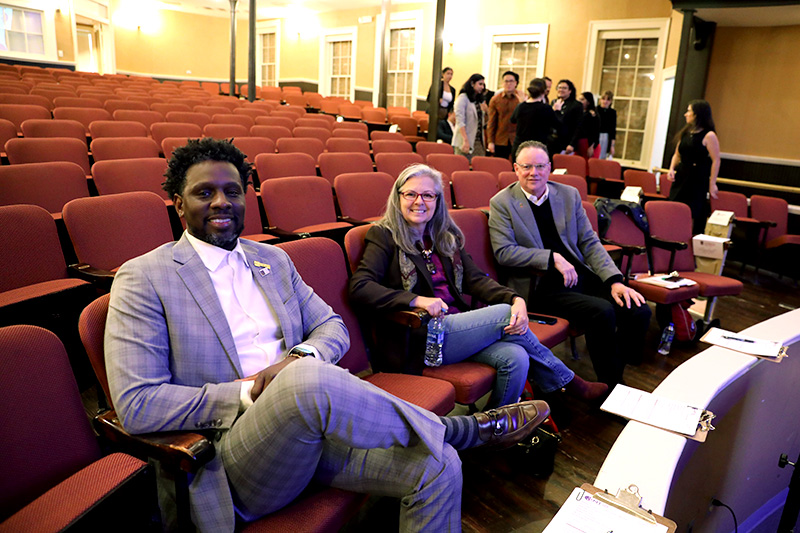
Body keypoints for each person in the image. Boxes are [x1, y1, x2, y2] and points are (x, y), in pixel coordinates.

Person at [105, 138, 549, 532]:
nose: (221, 201)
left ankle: (447, 440)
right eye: (205, 192)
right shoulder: (144, 277)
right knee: (301, 380)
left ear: (246, 200)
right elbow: (138, 405)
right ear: (179, 205)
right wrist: (251, 393)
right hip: (231, 456)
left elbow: (332, 327)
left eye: (233, 191)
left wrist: (299, 357)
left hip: (314, 429)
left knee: (440, 465)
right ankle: (457, 429)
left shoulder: (272, 261)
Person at [350, 164, 608, 409]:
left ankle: (494, 429)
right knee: (504, 315)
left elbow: (475, 280)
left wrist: (515, 298)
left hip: (458, 327)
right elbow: (360, 287)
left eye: (428, 195)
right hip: (419, 336)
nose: (420, 201)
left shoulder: (444, 237)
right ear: (398, 197)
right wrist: (417, 300)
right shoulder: (383, 235)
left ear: (438, 200)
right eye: (411, 194)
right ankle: (571, 384)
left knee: (516, 357)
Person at [488, 141, 651, 387]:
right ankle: (611, 386)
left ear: (549, 168)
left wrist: (615, 281)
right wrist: (551, 257)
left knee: (638, 309)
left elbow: (589, 242)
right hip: (541, 286)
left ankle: (617, 365)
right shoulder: (502, 203)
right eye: (527, 166)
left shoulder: (567, 195)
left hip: (580, 275)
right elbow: (504, 252)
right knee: (602, 312)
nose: (534, 173)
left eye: (540, 166)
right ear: (516, 168)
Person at [667, 99, 721, 235]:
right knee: (674, 207)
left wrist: (712, 182)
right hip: (682, 175)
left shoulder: (709, 135)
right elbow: (677, 154)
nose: (686, 114)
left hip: (696, 178)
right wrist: (671, 169)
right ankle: (672, 235)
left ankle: (686, 241)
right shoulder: (685, 133)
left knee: (692, 212)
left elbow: (716, 160)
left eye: (689, 111)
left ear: (697, 114)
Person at [510, 78, 560, 159]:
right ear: (544, 92)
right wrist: (557, 111)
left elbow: (512, 120)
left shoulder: (521, 106)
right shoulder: (546, 108)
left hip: (520, 147)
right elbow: (558, 125)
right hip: (538, 149)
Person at [487, 71, 524, 160]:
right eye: (506, 81)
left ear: (516, 83)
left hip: (517, 139)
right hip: (500, 139)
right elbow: (491, 122)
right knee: (500, 165)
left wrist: (522, 102)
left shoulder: (522, 98)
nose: (508, 84)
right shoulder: (495, 100)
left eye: (511, 81)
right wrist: (490, 141)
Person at [452, 73, 488, 162]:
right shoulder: (463, 98)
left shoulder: (479, 100)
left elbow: (483, 122)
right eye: (480, 84)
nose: (482, 87)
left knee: (479, 167)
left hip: (478, 140)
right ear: (472, 84)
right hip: (465, 139)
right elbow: (460, 121)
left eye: (483, 84)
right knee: (463, 166)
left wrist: (486, 111)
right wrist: (465, 140)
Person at [550, 79, 582, 155]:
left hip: (566, 143)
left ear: (570, 91)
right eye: (559, 87)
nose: (561, 90)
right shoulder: (554, 102)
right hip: (552, 141)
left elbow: (578, 127)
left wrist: (572, 144)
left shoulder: (576, 105)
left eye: (564, 88)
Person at [567, 92, 600, 158]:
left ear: (588, 102)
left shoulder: (592, 114)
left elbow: (595, 131)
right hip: (578, 143)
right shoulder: (579, 113)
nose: (579, 101)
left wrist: (591, 146)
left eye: (582, 99)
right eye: (579, 99)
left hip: (587, 142)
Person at [597, 90, 616, 159]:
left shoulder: (612, 112)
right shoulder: (595, 110)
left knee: (602, 156)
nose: (605, 101)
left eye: (608, 99)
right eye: (603, 99)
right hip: (595, 135)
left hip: (605, 136)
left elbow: (612, 130)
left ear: (611, 101)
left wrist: (612, 146)